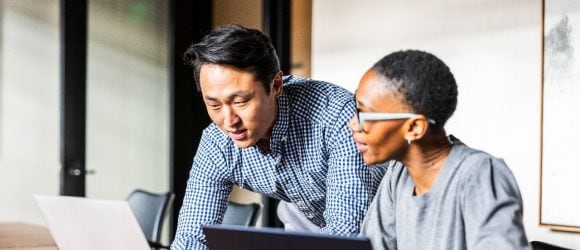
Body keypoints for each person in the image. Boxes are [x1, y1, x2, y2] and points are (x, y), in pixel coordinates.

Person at [171, 24, 385, 250]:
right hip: (314, 224)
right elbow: (191, 238)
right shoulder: (217, 143)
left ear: (276, 85)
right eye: (214, 104)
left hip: (390, 227)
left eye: (240, 102)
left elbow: (345, 232)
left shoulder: (337, 117)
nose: (229, 120)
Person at [349, 50, 531, 249]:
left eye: (363, 113)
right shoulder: (398, 175)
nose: (353, 124)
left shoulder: (480, 173)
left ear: (414, 128)